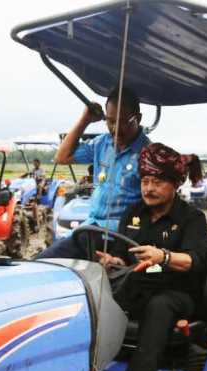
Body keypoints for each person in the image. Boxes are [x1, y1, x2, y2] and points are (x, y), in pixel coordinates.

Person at [97, 143, 207, 371]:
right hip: (139, 284)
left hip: (178, 292)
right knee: (95, 295)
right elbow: (124, 258)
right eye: (145, 181)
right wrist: (114, 262)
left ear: (175, 184)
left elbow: (195, 262)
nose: (149, 188)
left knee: (159, 306)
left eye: (157, 182)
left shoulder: (192, 218)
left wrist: (164, 256)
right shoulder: (133, 213)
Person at [38, 87, 151, 259]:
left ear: (138, 118)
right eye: (110, 121)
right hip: (91, 229)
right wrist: (85, 120)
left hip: (121, 237)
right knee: (44, 262)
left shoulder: (148, 154)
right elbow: (62, 156)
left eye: (123, 122)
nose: (115, 129)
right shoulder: (102, 144)